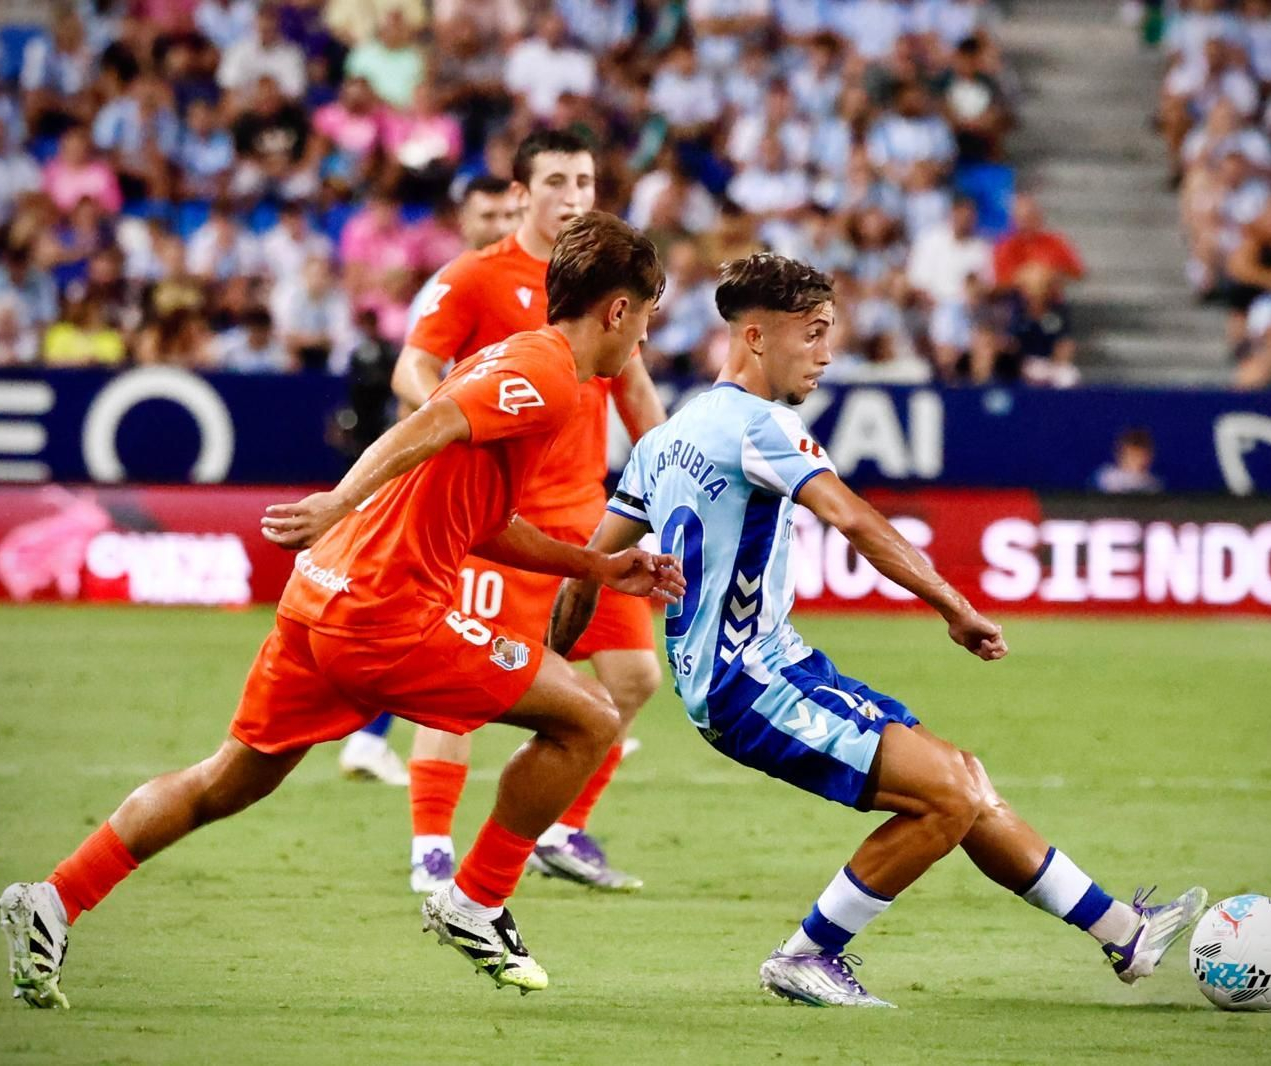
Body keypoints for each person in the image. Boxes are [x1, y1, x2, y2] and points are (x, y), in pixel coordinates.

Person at [0, 212, 682, 1009]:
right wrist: (338, 498)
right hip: (387, 615)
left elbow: (482, 520)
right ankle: (477, 899)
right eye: (650, 314)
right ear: (619, 311)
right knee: (591, 720)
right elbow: (425, 424)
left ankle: (53, 900)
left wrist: (595, 564)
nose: (646, 339)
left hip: (322, 597)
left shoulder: (520, 362)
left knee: (227, 781)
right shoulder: (550, 371)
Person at [549, 253, 1207, 1008]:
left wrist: (553, 673)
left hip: (768, 669)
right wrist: (953, 605)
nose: (828, 354)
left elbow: (585, 567)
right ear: (757, 337)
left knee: (963, 777)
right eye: (815, 333)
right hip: (753, 683)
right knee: (947, 799)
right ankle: (806, 956)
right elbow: (852, 518)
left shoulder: (670, 436)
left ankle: (1126, 931)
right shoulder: (763, 428)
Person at [390, 130, 668, 894]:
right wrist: (451, 411)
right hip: (498, 524)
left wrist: (675, 472)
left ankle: (557, 827)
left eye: (584, 179)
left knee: (636, 676)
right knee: (457, 694)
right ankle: (431, 849)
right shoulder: (477, 277)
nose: (573, 194)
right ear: (521, 194)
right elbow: (412, 363)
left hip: (587, 518)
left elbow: (636, 394)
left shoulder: (603, 283)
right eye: (555, 181)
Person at [334, 173, 520, 786]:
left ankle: (371, 733)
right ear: (461, 223)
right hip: (443, 469)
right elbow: (415, 379)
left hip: (478, 466)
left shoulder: (519, 283)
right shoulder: (455, 284)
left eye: (506, 216)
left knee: (439, 604)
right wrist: (449, 432)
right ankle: (373, 734)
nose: (498, 228)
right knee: (430, 607)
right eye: (486, 217)